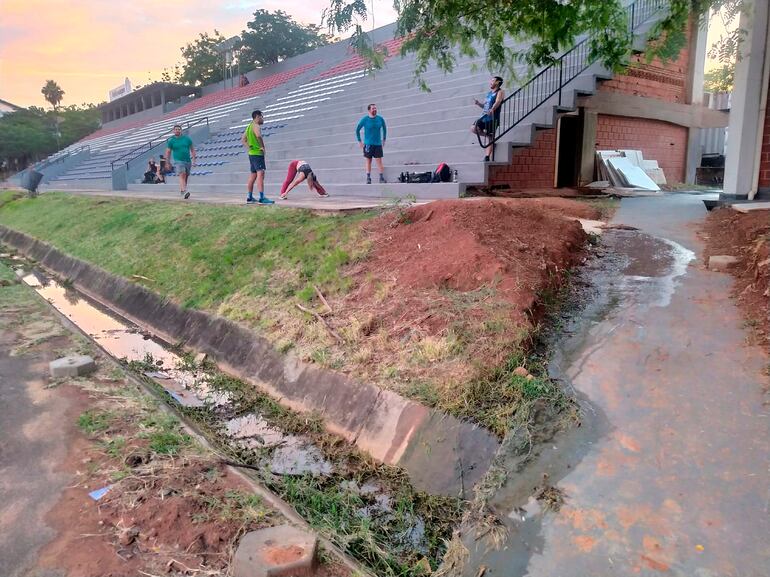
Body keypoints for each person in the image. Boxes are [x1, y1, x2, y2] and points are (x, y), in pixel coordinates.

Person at [241, 110, 274, 204]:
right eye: (262, 117)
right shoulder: (256, 125)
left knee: (253, 175)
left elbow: (243, 139)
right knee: (260, 174)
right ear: (258, 117)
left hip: (251, 154)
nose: (262, 119)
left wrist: (249, 148)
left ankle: (250, 197)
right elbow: (258, 136)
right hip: (257, 154)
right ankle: (262, 197)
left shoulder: (248, 126)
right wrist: (262, 147)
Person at [471, 76, 505, 161]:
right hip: (484, 117)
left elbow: (498, 102)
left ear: (497, 82)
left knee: (491, 137)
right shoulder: (489, 93)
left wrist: (493, 109)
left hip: (493, 118)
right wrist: (478, 104)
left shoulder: (500, 92)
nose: (490, 82)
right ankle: (489, 137)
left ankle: (487, 157)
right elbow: (485, 106)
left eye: (493, 80)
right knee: (473, 128)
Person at [355, 103, 387, 184]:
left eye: (375, 108)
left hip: (378, 144)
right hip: (368, 144)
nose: (375, 110)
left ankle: (381, 178)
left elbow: (384, 128)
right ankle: (368, 178)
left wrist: (384, 139)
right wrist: (360, 141)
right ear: (369, 110)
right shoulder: (365, 119)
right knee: (368, 161)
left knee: (379, 161)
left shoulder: (380, 119)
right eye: (373, 108)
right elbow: (357, 130)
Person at [164, 124, 196, 198]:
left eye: (179, 129)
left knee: (186, 176)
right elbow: (168, 152)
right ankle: (184, 191)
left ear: (181, 130)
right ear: (173, 131)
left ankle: (182, 191)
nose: (177, 130)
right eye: (176, 129)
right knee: (182, 174)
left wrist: (194, 160)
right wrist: (167, 162)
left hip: (188, 161)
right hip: (178, 161)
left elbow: (192, 149)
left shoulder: (187, 139)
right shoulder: (171, 141)